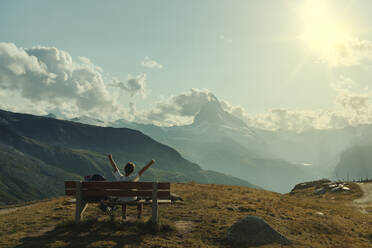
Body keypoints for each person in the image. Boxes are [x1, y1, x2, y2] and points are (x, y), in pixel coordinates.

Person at [107, 154, 155, 219]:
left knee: (124, 197)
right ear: (132, 171)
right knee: (139, 199)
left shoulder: (119, 177)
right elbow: (142, 170)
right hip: (132, 199)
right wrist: (150, 163)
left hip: (121, 198)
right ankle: (139, 215)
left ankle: (124, 215)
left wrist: (110, 158)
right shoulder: (133, 177)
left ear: (124, 169)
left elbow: (115, 167)